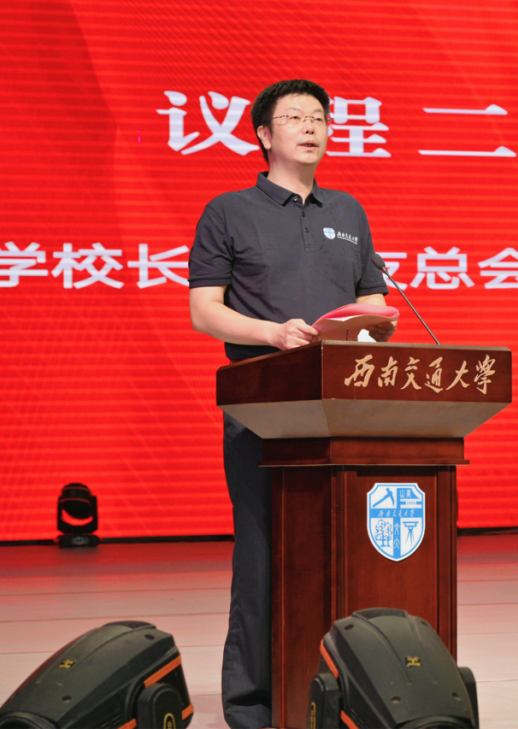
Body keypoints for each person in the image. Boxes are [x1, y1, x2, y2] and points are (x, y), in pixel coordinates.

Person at [187, 79, 394, 729]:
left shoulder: (349, 210)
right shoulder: (230, 211)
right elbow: (204, 311)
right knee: (262, 554)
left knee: (344, 552)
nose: (311, 126)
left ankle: (345, 691)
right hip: (265, 407)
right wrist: (274, 333)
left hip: (341, 408)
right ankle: (253, 704)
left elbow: (372, 300)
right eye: (295, 117)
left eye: (320, 117)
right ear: (263, 134)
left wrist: (369, 323)